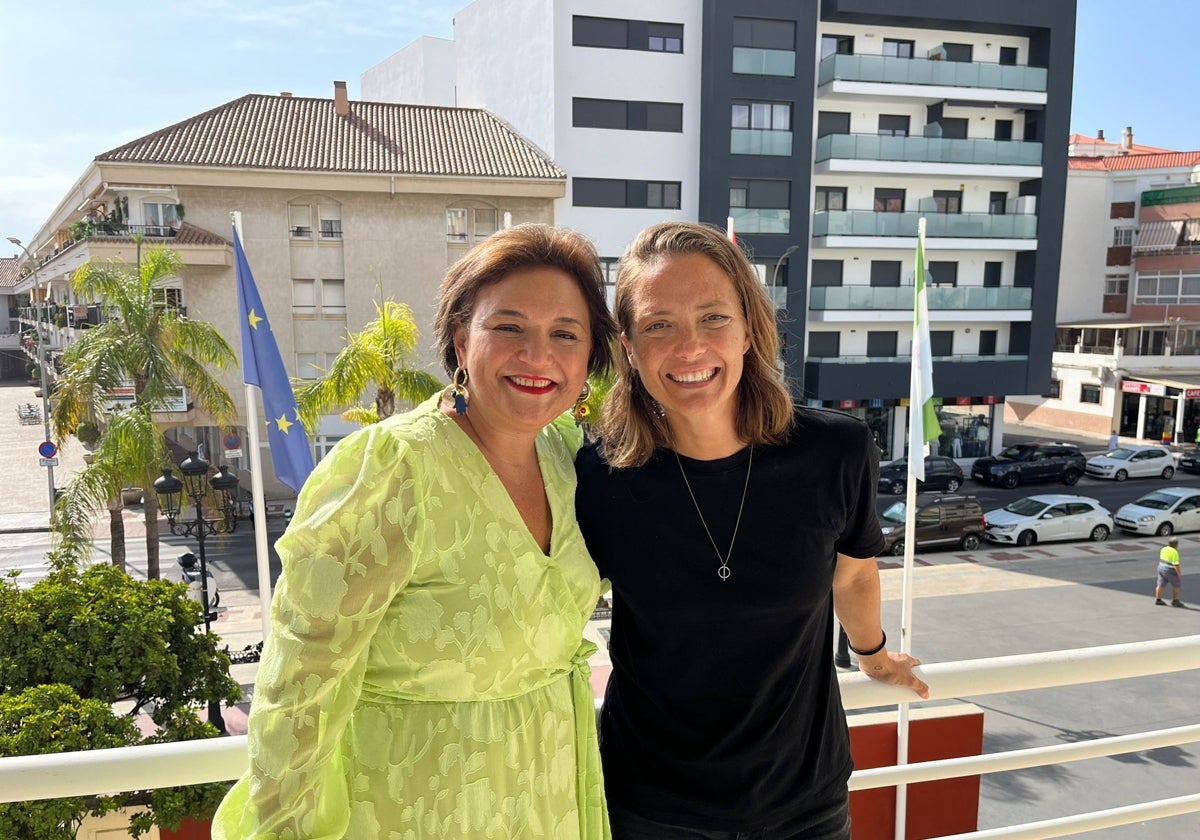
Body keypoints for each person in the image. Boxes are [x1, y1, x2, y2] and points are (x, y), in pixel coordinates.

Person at [213, 224, 617, 839]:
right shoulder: (392, 469)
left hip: (549, 797)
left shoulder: (564, 456)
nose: (538, 356)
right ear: (461, 337)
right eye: (508, 327)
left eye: (565, 334)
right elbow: (298, 686)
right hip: (416, 807)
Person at [575, 222, 929, 840]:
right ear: (629, 347)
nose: (689, 348)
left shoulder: (836, 452)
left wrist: (873, 657)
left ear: (748, 330)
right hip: (653, 810)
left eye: (712, 317)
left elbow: (853, 575)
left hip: (804, 806)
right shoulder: (600, 478)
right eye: (658, 325)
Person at [1156, 536, 1185, 608]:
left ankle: (1158, 599)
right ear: (1176, 544)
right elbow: (1176, 564)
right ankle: (1175, 601)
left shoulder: (1163, 549)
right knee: (1176, 585)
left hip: (1161, 568)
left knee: (1160, 584)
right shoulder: (1175, 552)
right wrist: (1179, 574)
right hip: (1170, 570)